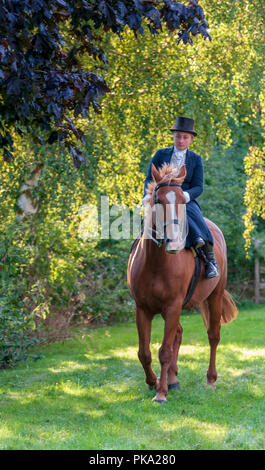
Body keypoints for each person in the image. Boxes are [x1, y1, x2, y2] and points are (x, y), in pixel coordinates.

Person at [143, 116, 219, 279]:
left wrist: (185, 196)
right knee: (143, 222)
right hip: (161, 196)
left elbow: (199, 186)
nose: (181, 140)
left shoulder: (196, 159)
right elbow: (150, 178)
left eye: (185, 137)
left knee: (195, 217)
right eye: (178, 136)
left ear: (190, 139)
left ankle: (210, 259)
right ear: (173, 137)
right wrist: (146, 197)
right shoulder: (160, 154)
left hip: (184, 198)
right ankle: (138, 255)